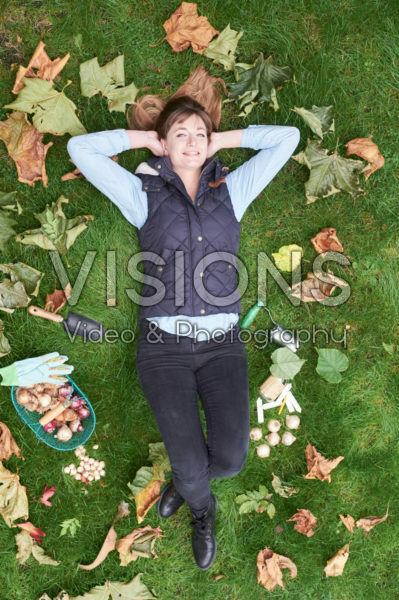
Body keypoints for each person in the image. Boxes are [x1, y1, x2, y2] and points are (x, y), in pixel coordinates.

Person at [67, 95, 300, 570]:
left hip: (222, 347)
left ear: (210, 141)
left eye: (200, 133)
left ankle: (186, 484)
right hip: (163, 349)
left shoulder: (233, 189)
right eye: (180, 134)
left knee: (231, 461)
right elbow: (79, 150)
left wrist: (223, 138)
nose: (192, 142)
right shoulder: (141, 194)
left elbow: (287, 139)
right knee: (195, 467)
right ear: (164, 146)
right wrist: (143, 139)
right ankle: (200, 506)